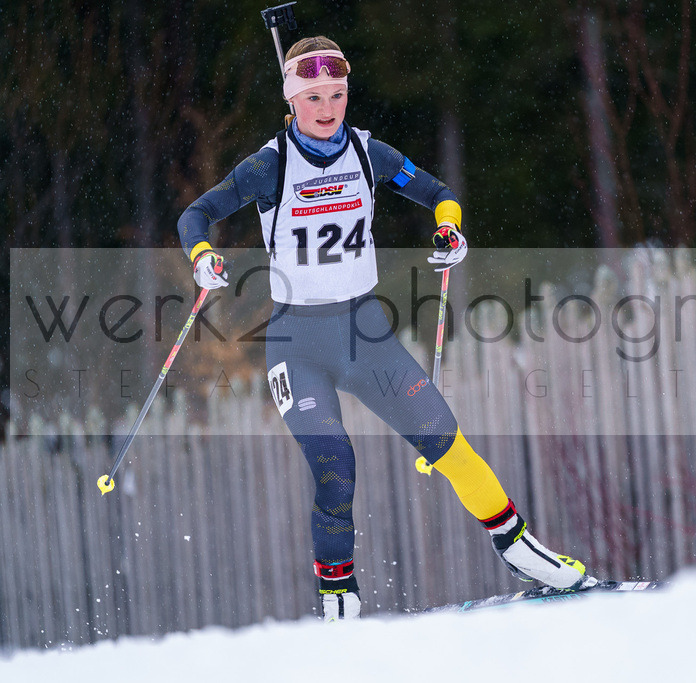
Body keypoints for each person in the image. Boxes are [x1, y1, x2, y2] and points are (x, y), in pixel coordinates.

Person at [177, 36, 594, 621]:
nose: (328, 108)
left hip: (363, 331)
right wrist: (201, 255)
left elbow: (439, 195)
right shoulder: (270, 165)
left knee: (445, 439)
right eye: (314, 96)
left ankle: (523, 551)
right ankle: (338, 601)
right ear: (291, 100)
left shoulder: (369, 154)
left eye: (339, 94)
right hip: (296, 342)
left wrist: (450, 232)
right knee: (335, 461)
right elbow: (196, 213)